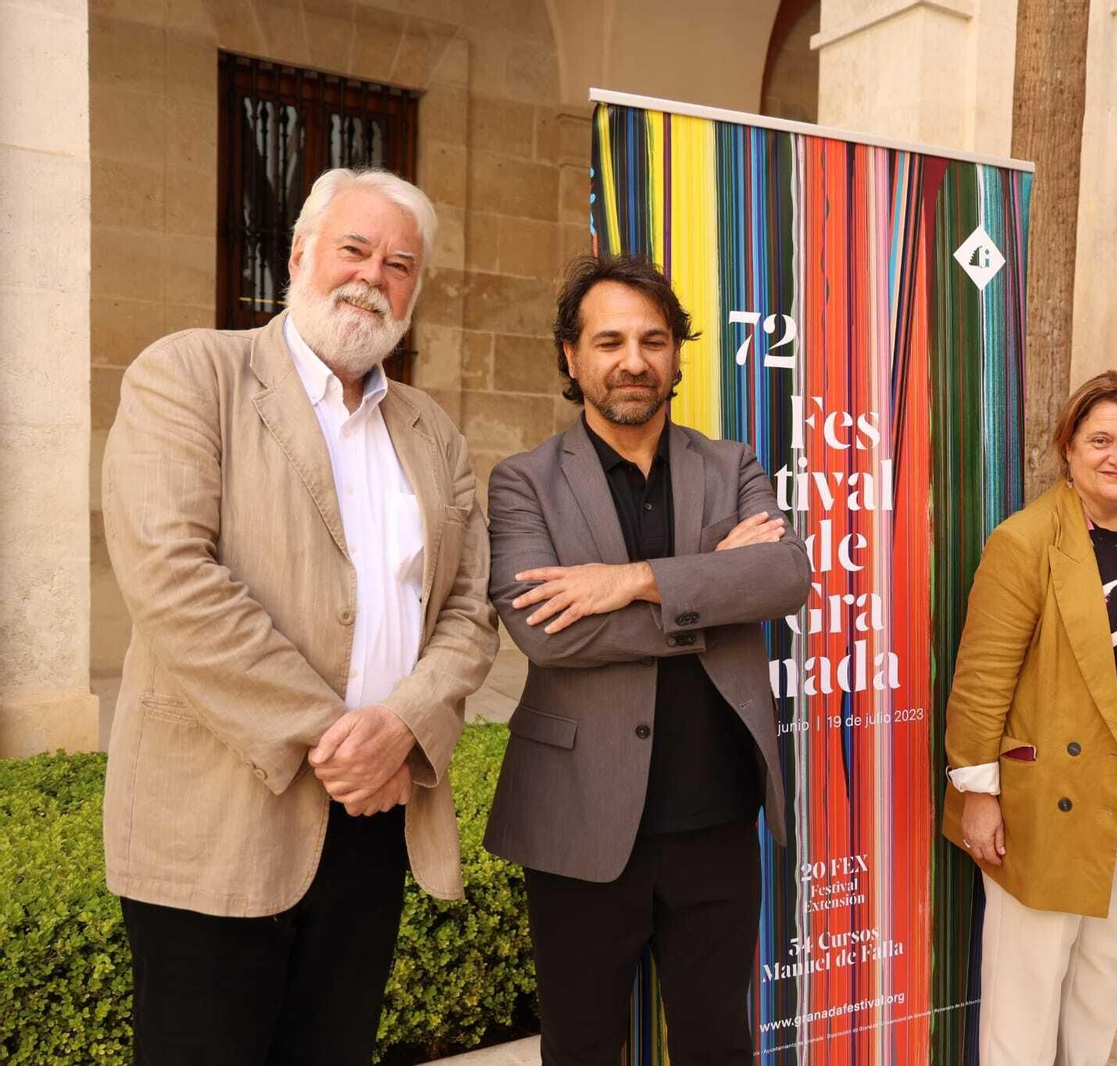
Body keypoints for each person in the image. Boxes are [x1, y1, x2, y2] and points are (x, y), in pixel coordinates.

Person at [100, 167, 499, 1065]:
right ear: (299, 255)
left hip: (374, 821)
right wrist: (340, 738)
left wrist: (402, 726)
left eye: (400, 264)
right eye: (354, 249)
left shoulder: (435, 432)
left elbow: (471, 611)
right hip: (218, 819)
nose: (373, 277)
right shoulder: (191, 373)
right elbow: (172, 580)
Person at [483, 253, 811, 1065]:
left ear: (675, 353)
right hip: (578, 817)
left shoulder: (731, 464)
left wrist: (626, 581)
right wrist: (709, 585)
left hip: (718, 814)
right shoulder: (523, 482)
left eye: (653, 340)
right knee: (583, 1045)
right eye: (610, 341)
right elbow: (545, 630)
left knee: (714, 1043)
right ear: (571, 356)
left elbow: (783, 575)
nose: (634, 361)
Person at [943, 371, 1117, 1065]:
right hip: (1048, 792)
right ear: (1068, 447)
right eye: (1101, 440)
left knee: (1109, 958)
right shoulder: (1025, 541)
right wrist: (977, 793)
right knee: (1028, 976)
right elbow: (980, 679)